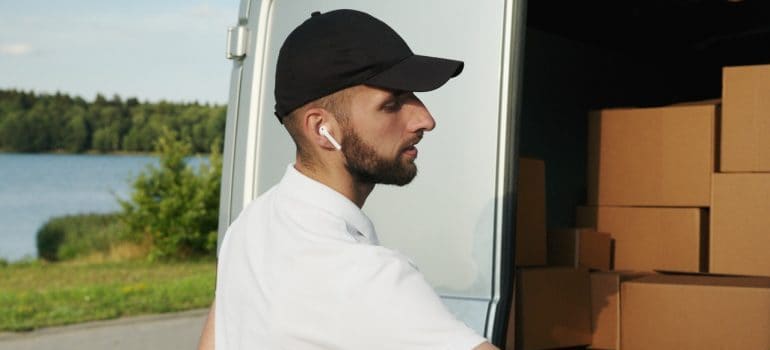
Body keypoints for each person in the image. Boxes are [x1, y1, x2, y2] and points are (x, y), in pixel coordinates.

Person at [198, 9, 500, 350]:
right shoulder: (367, 277)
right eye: (392, 103)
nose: (425, 120)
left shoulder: (250, 226)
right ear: (322, 130)